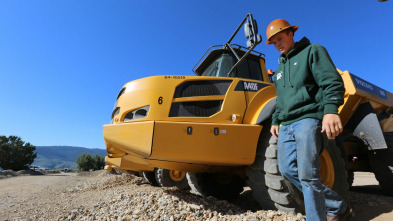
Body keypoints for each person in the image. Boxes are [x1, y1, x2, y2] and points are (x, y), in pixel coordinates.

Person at [266, 19, 351, 221]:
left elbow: (331, 81)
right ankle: (337, 205)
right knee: (287, 170)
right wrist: (276, 120)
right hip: (286, 124)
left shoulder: (312, 51)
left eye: (280, 38)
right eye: (274, 41)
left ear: (290, 34)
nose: (278, 43)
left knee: (308, 175)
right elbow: (280, 99)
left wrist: (331, 110)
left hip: (308, 119)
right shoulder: (278, 71)